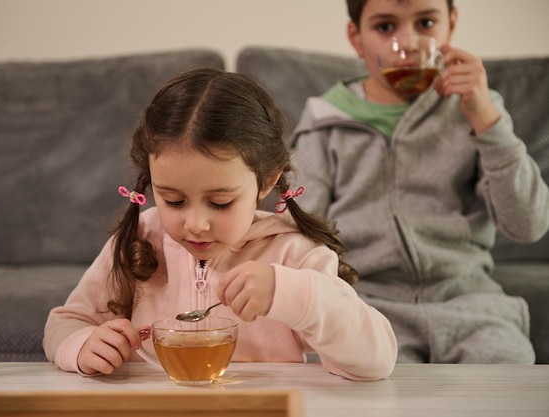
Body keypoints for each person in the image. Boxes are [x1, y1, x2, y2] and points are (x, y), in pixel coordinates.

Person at [43, 67, 397, 381]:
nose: (196, 224)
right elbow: (65, 322)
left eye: (220, 203)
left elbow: (377, 361)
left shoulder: (295, 255)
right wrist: (81, 345)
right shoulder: (141, 238)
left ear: (266, 182)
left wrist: (294, 294)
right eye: (173, 201)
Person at [291, 0, 549, 363]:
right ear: (356, 37)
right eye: (385, 27)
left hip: (470, 306)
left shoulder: (476, 109)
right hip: (368, 311)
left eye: (426, 22)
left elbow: (528, 225)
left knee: (507, 384)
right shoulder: (324, 120)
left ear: (451, 24)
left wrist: (487, 122)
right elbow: (302, 231)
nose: (409, 42)